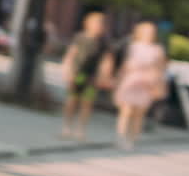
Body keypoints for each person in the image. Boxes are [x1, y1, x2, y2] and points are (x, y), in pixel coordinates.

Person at [112, 21, 167, 150]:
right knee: (126, 110)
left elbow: (160, 69)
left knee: (138, 114)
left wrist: (159, 85)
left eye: (152, 32)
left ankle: (132, 139)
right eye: (147, 31)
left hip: (147, 83)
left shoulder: (157, 50)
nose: (150, 34)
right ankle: (120, 136)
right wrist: (118, 80)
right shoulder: (132, 46)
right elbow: (124, 66)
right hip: (131, 80)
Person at [60, 12, 114, 141]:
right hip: (78, 74)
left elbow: (107, 60)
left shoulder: (104, 42)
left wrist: (105, 76)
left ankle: (80, 129)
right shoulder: (80, 37)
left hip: (92, 77)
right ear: (88, 24)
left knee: (87, 103)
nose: (98, 26)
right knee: (71, 101)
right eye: (96, 23)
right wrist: (67, 70)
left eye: (101, 24)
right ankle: (66, 126)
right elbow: (71, 55)